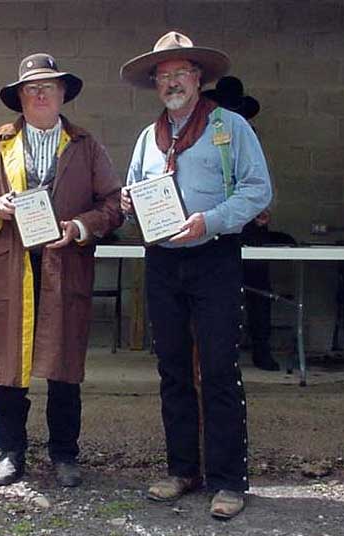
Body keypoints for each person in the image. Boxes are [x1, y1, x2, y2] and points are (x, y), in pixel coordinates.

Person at [120, 32, 272, 519]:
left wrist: (212, 220)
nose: (172, 82)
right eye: (163, 76)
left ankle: (229, 480)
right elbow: (135, 192)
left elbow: (258, 190)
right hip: (164, 262)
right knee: (172, 369)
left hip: (213, 257)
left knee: (219, 368)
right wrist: (128, 203)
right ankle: (183, 469)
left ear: (200, 79)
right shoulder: (149, 136)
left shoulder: (230, 127)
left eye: (180, 73)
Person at [0, 53, 122, 488]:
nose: (41, 94)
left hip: (65, 263)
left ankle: (65, 454)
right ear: (20, 98)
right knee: (10, 365)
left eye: (49, 86)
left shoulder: (86, 145)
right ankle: (10, 452)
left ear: (64, 93)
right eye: (32, 88)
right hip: (11, 269)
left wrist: (82, 226)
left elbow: (113, 205)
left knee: (64, 365)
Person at [204, 76, 297, 371]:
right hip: (216, 223)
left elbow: (264, 180)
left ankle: (261, 347)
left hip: (250, 225)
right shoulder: (205, 135)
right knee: (213, 291)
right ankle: (215, 352)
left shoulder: (249, 136)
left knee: (259, 289)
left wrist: (265, 207)